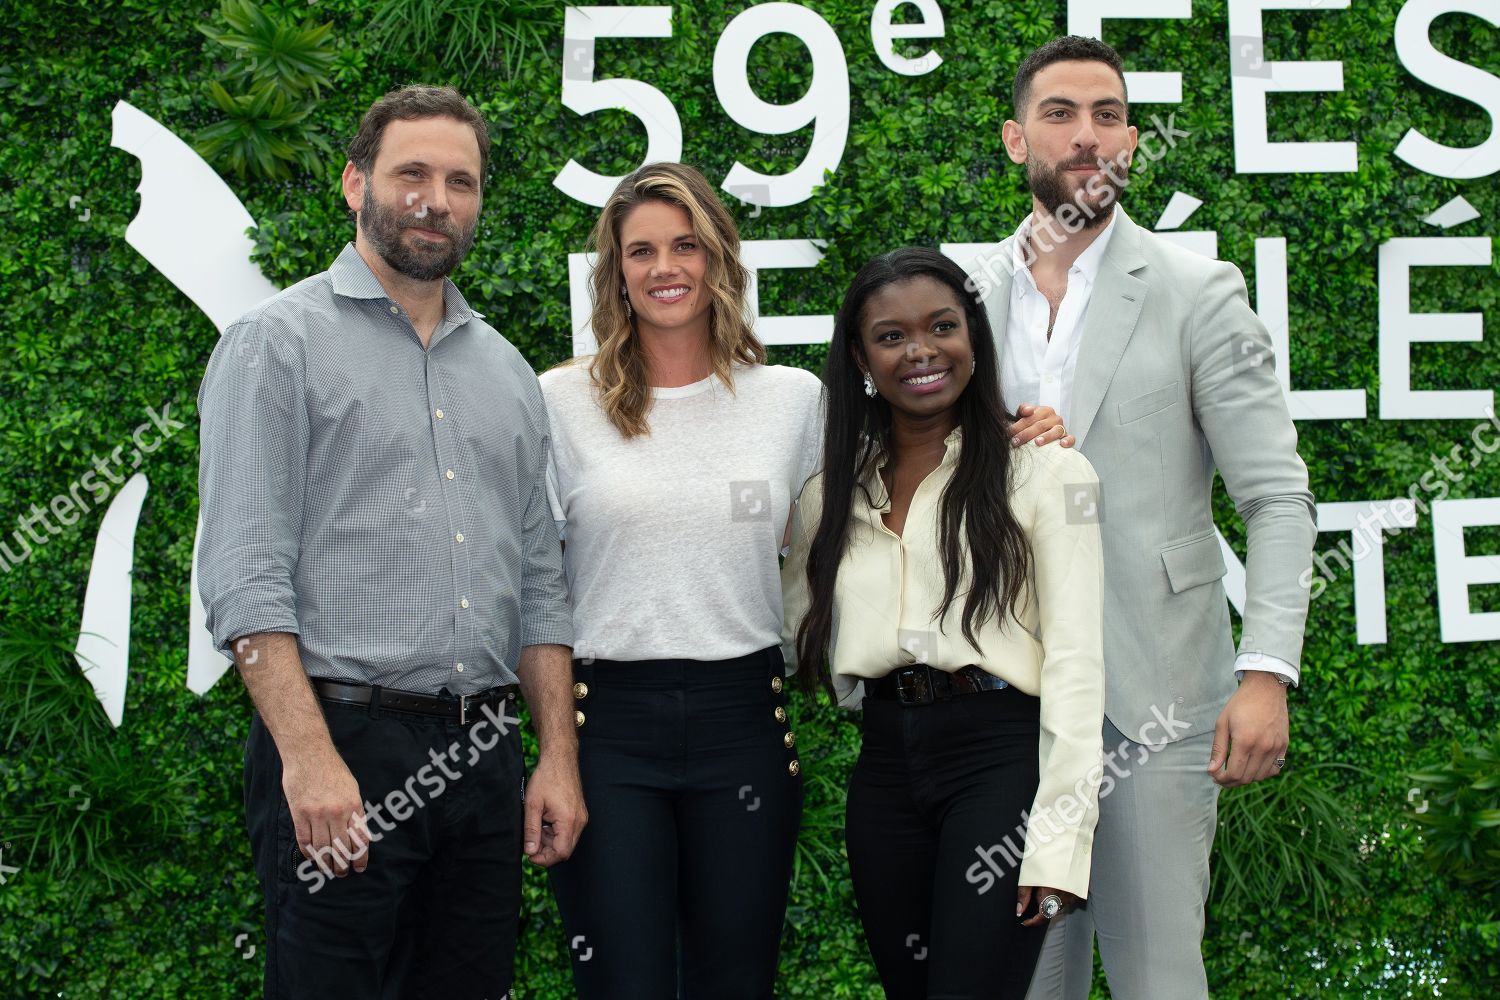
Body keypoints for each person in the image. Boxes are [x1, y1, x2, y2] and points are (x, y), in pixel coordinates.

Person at [541, 162, 1075, 997]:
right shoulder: (557, 404)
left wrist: (1021, 426)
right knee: (621, 983)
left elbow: (902, 480)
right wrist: (554, 753)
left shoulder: (792, 402)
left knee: (739, 981)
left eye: (686, 244)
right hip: (607, 725)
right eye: (639, 251)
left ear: (720, 259)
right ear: (612, 273)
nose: (664, 267)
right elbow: (539, 591)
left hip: (743, 725)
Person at [197, 85, 584, 1000]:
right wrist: (308, 756)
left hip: (483, 757)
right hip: (344, 747)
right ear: (355, 182)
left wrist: (556, 760)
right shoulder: (275, 345)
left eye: (461, 181)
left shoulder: (507, 373)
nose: (435, 199)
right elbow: (244, 576)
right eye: (412, 173)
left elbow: (538, 583)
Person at [983, 37, 1318, 1000]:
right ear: (1016, 140)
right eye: (1060, 114)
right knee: (1023, 985)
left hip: (1157, 700)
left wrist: (1265, 674)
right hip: (1003, 705)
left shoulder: (1197, 293)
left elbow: (1276, 497)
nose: (1088, 137)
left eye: (1108, 115)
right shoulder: (962, 296)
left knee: (1160, 981)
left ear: (1130, 137)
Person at [782, 246, 1106, 1000]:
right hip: (886, 767)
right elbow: (787, 624)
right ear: (861, 359)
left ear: (974, 339)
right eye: (891, 336)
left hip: (998, 763)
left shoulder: (1048, 473)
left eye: (942, 326)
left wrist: (1058, 845)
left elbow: (1078, 664)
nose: (921, 350)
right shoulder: (828, 496)